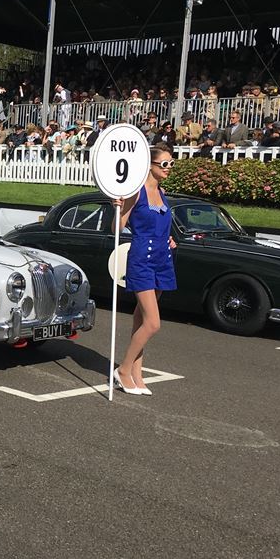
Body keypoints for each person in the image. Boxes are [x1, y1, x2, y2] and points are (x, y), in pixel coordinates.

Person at [112, 144, 177, 396]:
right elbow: (117, 227)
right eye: (164, 164)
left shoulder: (162, 193)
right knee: (152, 323)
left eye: (171, 164)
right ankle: (124, 369)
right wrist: (115, 207)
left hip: (163, 258)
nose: (168, 168)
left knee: (140, 320)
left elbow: (162, 227)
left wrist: (170, 239)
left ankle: (137, 373)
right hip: (141, 259)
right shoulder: (135, 192)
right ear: (150, 165)